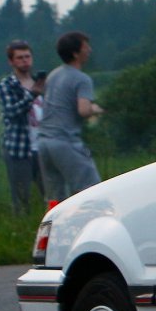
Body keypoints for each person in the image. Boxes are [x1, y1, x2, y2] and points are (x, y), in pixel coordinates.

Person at [37, 31, 104, 200]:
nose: (89, 50)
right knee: (91, 191)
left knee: (55, 198)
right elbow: (83, 110)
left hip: (44, 143)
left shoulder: (53, 75)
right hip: (65, 142)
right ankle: (90, 224)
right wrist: (94, 108)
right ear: (75, 53)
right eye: (85, 47)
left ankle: (53, 225)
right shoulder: (82, 79)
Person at [0, 40, 46, 214]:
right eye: (20, 58)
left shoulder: (39, 83)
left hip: (43, 147)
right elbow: (11, 112)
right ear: (11, 61)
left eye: (27, 56)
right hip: (18, 147)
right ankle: (22, 226)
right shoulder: (7, 85)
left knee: (49, 193)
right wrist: (32, 95)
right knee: (22, 197)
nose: (25, 60)